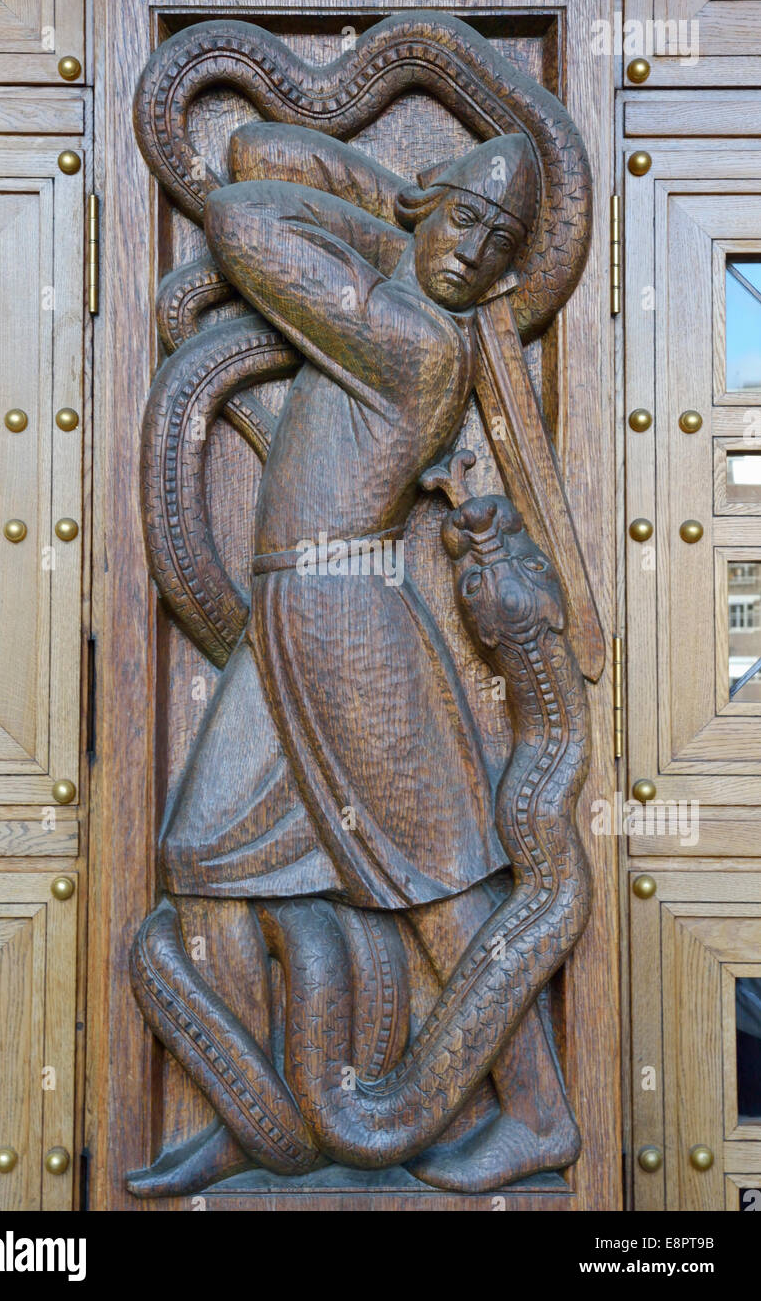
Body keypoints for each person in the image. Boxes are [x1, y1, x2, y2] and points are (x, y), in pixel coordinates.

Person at [132, 123, 580, 1194]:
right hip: (290, 610)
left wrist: (397, 228)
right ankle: (256, 1113)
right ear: (426, 207)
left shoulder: (416, 337)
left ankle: (539, 1113)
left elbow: (246, 215)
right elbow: (256, 152)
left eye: (498, 242)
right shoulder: (401, 294)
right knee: (200, 859)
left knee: (439, 884)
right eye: (461, 218)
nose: (473, 253)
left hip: (349, 622)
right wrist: (399, 215)